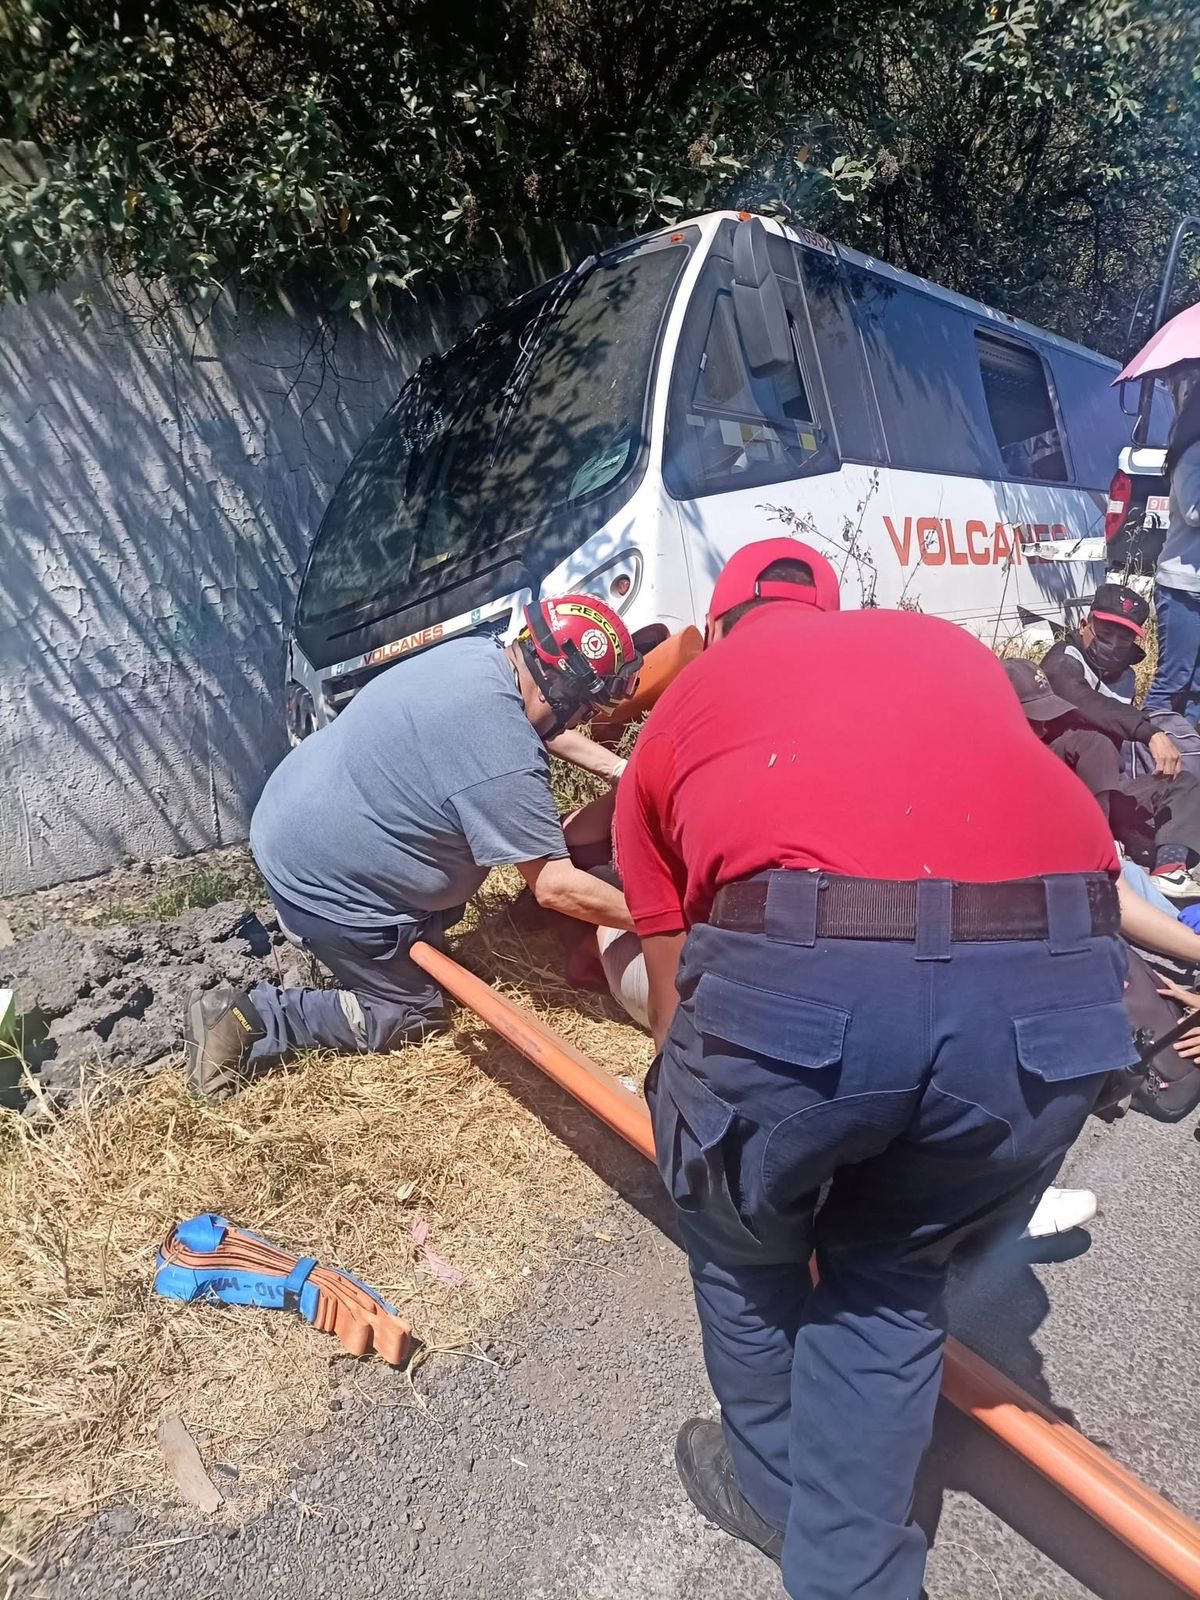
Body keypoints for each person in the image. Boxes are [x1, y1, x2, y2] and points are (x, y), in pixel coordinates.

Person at [613, 541, 1135, 1600]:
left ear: (716, 631)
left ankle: (773, 1488)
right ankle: (851, 1564)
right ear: (840, 610)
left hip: (819, 955)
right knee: (892, 1278)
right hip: (1061, 980)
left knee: (740, 1232)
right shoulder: (941, 646)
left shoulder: (690, 699)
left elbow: (678, 1003)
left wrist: (712, 1138)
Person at [184, 594, 641, 1098]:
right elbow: (554, 885)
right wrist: (663, 920)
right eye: (582, 709)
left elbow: (542, 728)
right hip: (324, 890)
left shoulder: (482, 661)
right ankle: (253, 1018)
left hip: (296, 815)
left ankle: (401, 933)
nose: (578, 723)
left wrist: (623, 773)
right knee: (410, 1017)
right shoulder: (501, 748)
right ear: (560, 688)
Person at [1010, 641, 1200, 898]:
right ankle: (1102, 846)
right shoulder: (1064, 661)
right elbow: (1087, 702)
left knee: (1182, 781)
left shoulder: (1120, 681)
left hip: (1101, 794)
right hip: (1065, 818)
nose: (1044, 728)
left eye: (1048, 717)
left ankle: (1169, 868)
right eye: (1034, 720)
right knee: (1094, 742)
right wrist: (1147, 733)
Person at [1144, 368, 1200, 725]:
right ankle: (1142, 754)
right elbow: (1195, 511)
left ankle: (1189, 760)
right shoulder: (1192, 453)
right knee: (1173, 680)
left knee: (1197, 687)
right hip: (1181, 589)